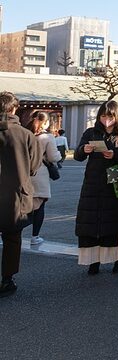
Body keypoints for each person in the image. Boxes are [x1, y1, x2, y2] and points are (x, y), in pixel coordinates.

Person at [74, 101, 118, 274]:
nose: (107, 120)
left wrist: (115, 154)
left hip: (114, 180)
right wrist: (85, 149)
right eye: (103, 116)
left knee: (114, 221)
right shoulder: (91, 132)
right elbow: (78, 155)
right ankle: (93, 261)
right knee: (90, 222)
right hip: (92, 182)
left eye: (111, 116)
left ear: (117, 116)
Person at [0, 92, 42, 297]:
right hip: (16, 194)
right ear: (14, 109)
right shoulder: (26, 135)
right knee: (12, 237)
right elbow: (34, 167)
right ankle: (7, 279)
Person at [25, 111, 61, 246]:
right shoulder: (47, 137)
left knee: (23, 204)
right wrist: (59, 156)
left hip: (24, 172)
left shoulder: (25, 133)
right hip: (40, 173)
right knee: (39, 205)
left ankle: (7, 229)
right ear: (45, 122)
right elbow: (53, 157)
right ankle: (35, 236)